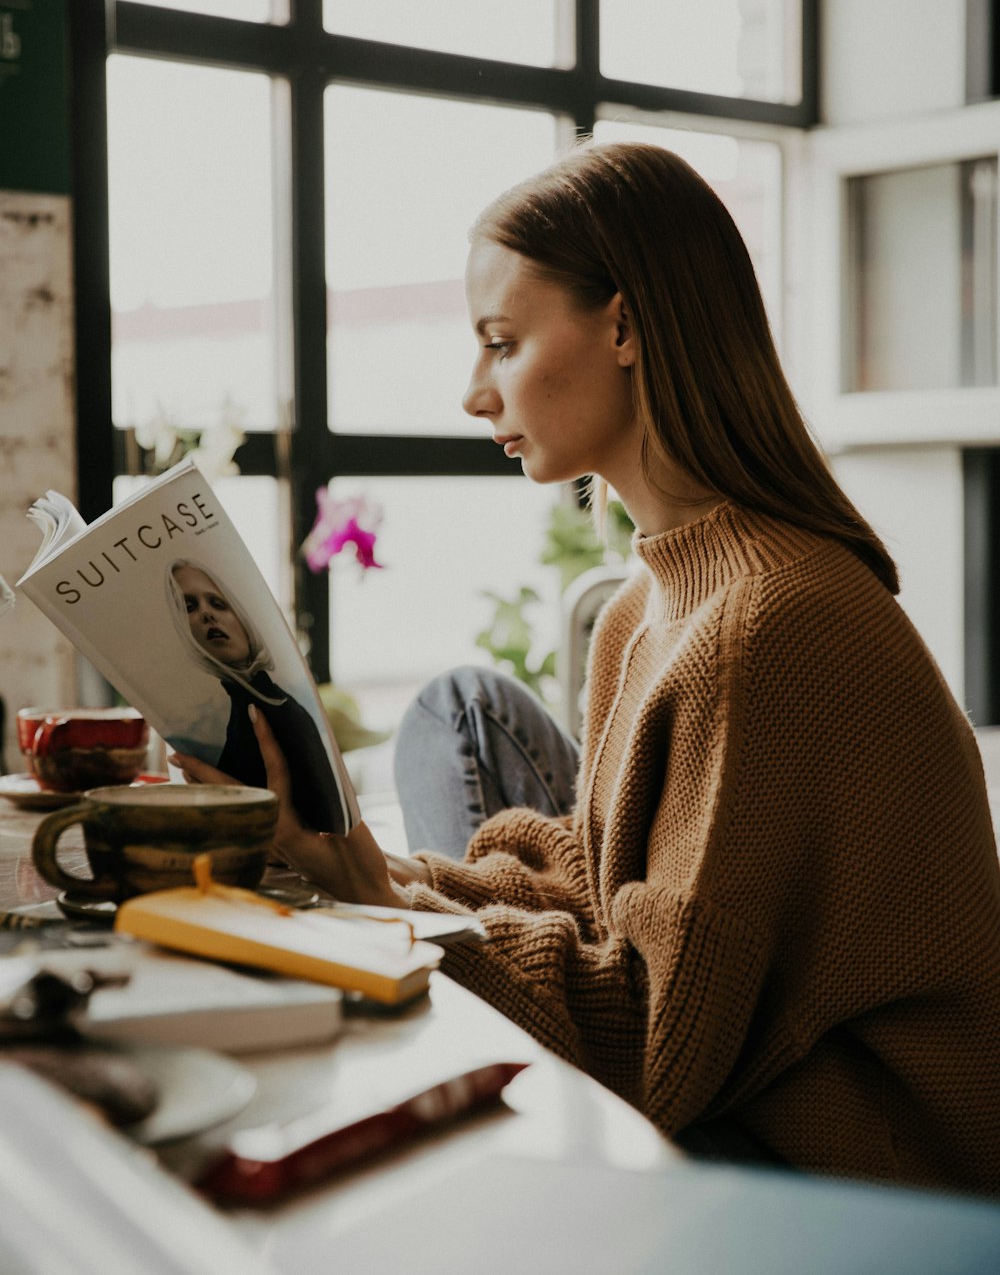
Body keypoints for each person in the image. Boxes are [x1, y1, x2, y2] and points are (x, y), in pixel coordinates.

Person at [191, 142, 1000, 1198]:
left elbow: (661, 1040)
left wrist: (395, 917)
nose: (474, 393)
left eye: (502, 342)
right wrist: (392, 880)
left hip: (856, 1171)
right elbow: (602, 881)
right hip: (745, 1098)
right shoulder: (649, 603)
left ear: (622, 326)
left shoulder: (768, 625)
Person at [166, 560, 347, 833]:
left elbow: (327, 823)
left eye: (217, 603)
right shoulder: (235, 714)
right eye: (189, 606)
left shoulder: (280, 709)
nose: (206, 614)